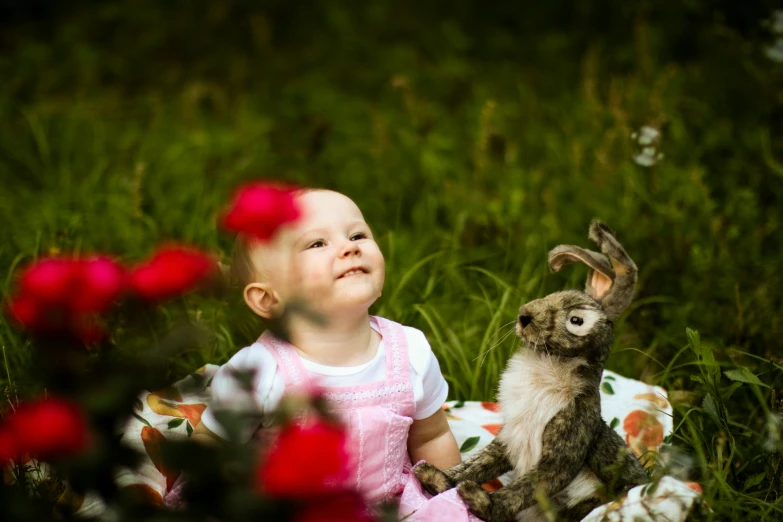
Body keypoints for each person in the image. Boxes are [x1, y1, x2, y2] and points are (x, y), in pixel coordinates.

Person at [193, 188, 482, 520]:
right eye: (317, 243)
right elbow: (212, 445)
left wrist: (451, 500)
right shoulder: (262, 370)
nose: (350, 247)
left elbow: (432, 436)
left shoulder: (410, 351)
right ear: (268, 299)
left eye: (358, 234)